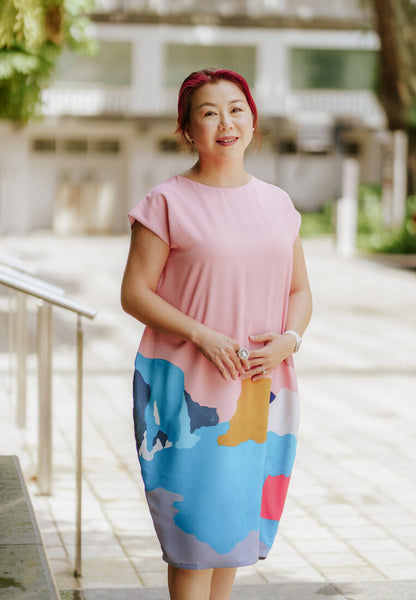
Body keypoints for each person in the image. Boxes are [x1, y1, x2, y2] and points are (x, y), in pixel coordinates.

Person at [121, 68, 312, 600]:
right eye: (208, 112)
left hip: (260, 382)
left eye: (236, 109)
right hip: (188, 387)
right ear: (187, 130)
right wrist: (202, 335)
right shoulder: (166, 202)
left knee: (231, 528)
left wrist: (289, 340)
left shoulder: (278, 204)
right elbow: (135, 292)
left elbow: (300, 292)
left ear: (253, 120)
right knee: (193, 533)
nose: (225, 122)